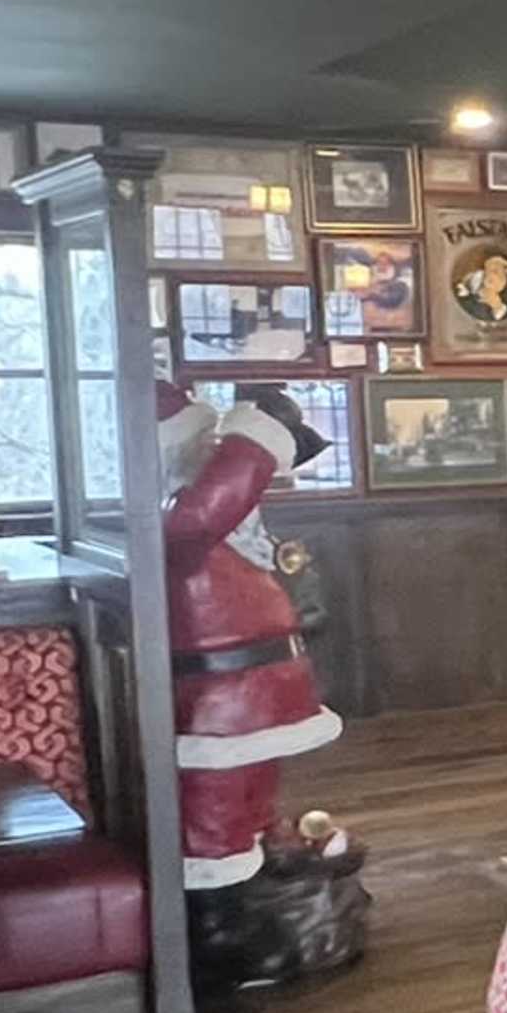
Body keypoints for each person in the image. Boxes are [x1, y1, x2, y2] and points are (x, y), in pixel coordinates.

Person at [156, 380, 343, 890]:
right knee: (217, 807)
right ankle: (224, 904)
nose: (213, 451)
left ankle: (257, 867)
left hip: (254, 687)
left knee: (254, 790)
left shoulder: (202, 522)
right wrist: (258, 437)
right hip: (222, 695)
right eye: (204, 444)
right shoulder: (181, 520)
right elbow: (208, 507)